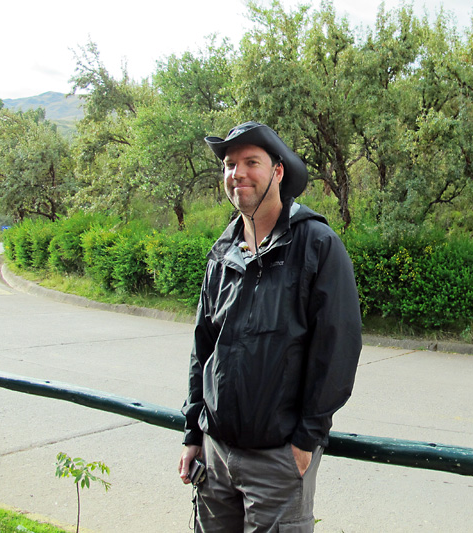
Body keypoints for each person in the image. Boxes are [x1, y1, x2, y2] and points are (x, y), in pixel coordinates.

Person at [178, 121, 362, 532]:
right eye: (228, 164)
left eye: (250, 162)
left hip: (278, 463)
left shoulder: (316, 245)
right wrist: (193, 434)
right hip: (215, 457)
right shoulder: (222, 252)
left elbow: (338, 349)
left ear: (277, 172)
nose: (236, 173)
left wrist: (304, 442)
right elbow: (203, 349)